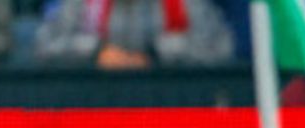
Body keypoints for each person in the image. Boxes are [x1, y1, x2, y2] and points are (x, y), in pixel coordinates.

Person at [35, 0, 234, 69]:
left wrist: (156, 52)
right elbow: (45, 45)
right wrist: (97, 51)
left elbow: (221, 47)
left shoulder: (185, 3)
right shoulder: (83, 3)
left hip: (170, 108)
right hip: (95, 109)